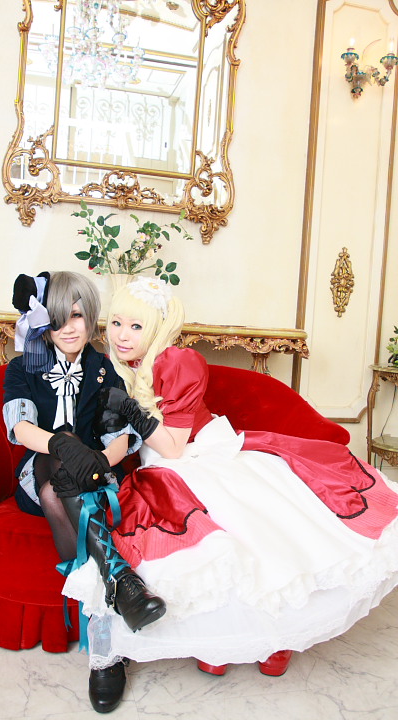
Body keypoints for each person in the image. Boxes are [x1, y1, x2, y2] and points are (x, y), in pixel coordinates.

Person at [62, 275, 398, 705]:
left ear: (158, 328)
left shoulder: (177, 361)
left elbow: (175, 447)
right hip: (159, 468)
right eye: (116, 323)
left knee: (248, 533)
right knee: (195, 545)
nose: (122, 335)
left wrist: (129, 407)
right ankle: (218, 646)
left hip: (200, 455)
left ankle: (276, 641)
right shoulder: (116, 367)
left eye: (136, 326)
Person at [2, 271, 165, 714]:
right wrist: (63, 446)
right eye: (57, 319)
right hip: (39, 472)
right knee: (60, 463)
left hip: (94, 478)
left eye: (76, 316)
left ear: (90, 316)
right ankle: (122, 583)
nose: (69, 328)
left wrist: (98, 462)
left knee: (62, 491)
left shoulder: (103, 369)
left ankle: (105, 655)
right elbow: (21, 428)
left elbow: (122, 436)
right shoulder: (23, 367)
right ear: (43, 322)